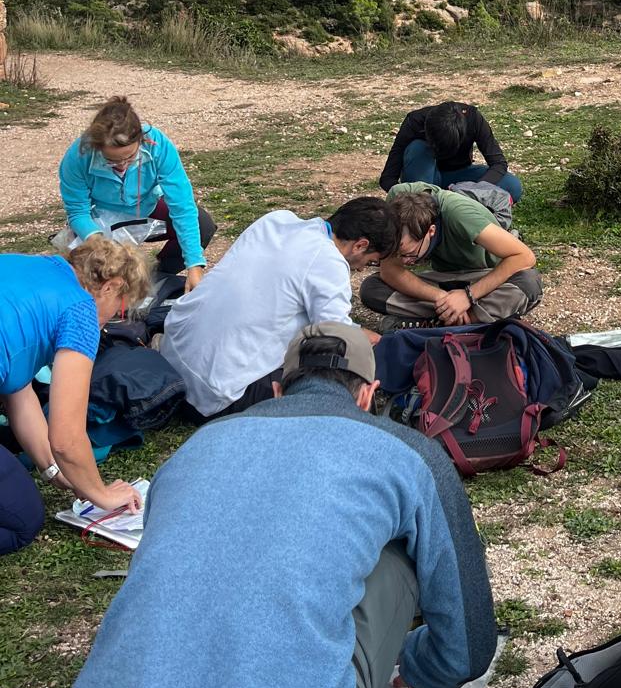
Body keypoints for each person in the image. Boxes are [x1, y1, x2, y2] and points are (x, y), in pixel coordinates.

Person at [72, 320, 497, 688]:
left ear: (277, 390)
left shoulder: (196, 446)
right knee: (396, 553)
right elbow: (465, 653)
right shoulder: (407, 452)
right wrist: (414, 665)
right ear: (367, 395)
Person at [159, 198, 400, 418]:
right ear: (360, 245)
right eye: (371, 261)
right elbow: (336, 336)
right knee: (331, 376)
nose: (362, 268)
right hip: (212, 393)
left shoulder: (277, 220)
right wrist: (364, 337)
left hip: (171, 358)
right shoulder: (329, 262)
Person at [1, 238, 149, 556]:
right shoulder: (81, 310)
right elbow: (66, 439)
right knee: (21, 521)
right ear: (111, 287)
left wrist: (54, 470)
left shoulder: (33, 265)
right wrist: (102, 495)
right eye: (120, 308)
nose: (110, 320)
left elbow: (18, 393)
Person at [57, 97, 216, 293]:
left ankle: (152, 279)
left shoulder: (158, 145)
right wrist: (100, 244)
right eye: (111, 161)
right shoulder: (77, 157)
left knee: (203, 224)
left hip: (146, 207)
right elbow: (77, 212)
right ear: (97, 148)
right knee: (91, 272)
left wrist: (194, 265)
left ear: (141, 140)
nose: (122, 165)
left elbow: (182, 205)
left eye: (131, 157)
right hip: (100, 219)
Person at [359, 184, 542, 324]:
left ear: (431, 231)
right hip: (443, 281)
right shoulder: (395, 203)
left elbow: (524, 256)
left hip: (482, 278)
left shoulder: (460, 214)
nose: (405, 261)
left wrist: (468, 296)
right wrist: (442, 299)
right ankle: (470, 320)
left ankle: (435, 323)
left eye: (409, 254)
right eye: (397, 253)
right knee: (372, 287)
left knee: (528, 281)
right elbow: (390, 271)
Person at [378, 101, 523, 202]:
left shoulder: (473, 119)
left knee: (512, 186)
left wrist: (475, 189)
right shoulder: (415, 122)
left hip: (458, 177)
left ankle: (445, 202)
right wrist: (406, 199)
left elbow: (498, 164)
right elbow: (388, 178)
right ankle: (426, 203)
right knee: (417, 148)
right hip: (424, 180)